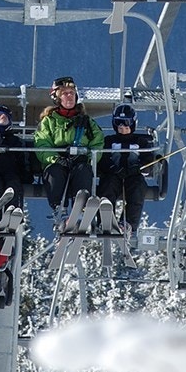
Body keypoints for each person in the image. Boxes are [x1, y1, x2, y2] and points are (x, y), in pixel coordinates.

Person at [35, 75, 105, 217]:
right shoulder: (49, 121)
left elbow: (97, 143)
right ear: (57, 98)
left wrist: (88, 158)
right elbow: (42, 144)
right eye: (65, 94)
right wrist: (54, 158)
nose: (69, 97)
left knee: (83, 171)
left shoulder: (87, 122)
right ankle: (59, 209)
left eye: (72, 93)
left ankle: (81, 209)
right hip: (57, 161)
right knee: (55, 172)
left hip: (79, 160)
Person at [97, 105, 153, 249]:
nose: (123, 128)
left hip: (133, 176)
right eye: (119, 124)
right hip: (113, 174)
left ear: (133, 123)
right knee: (108, 185)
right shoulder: (109, 141)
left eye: (127, 124)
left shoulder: (141, 142)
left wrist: (141, 167)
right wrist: (112, 168)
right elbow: (101, 159)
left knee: (137, 188)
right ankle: (105, 219)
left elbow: (149, 161)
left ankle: (127, 224)